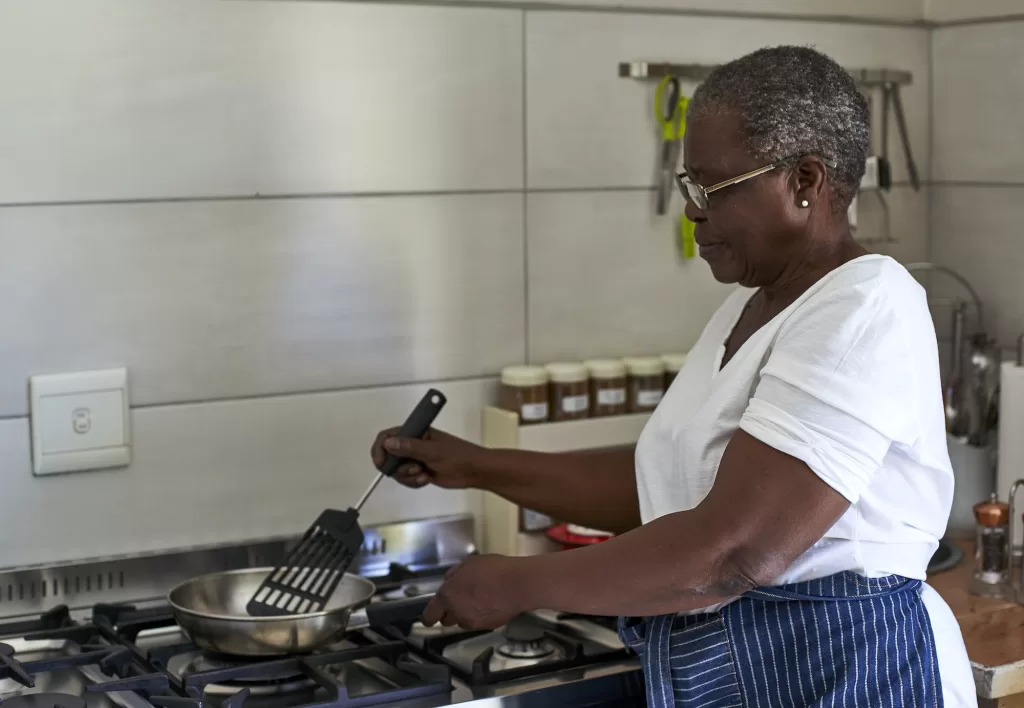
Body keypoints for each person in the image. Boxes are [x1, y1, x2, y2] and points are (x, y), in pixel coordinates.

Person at [371, 46, 975, 707]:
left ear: (805, 181)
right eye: (690, 187)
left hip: (849, 676)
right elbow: (663, 488)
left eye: (711, 190)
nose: (692, 212)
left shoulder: (865, 305)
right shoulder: (749, 308)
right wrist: (477, 465)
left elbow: (732, 551)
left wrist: (521, 582)